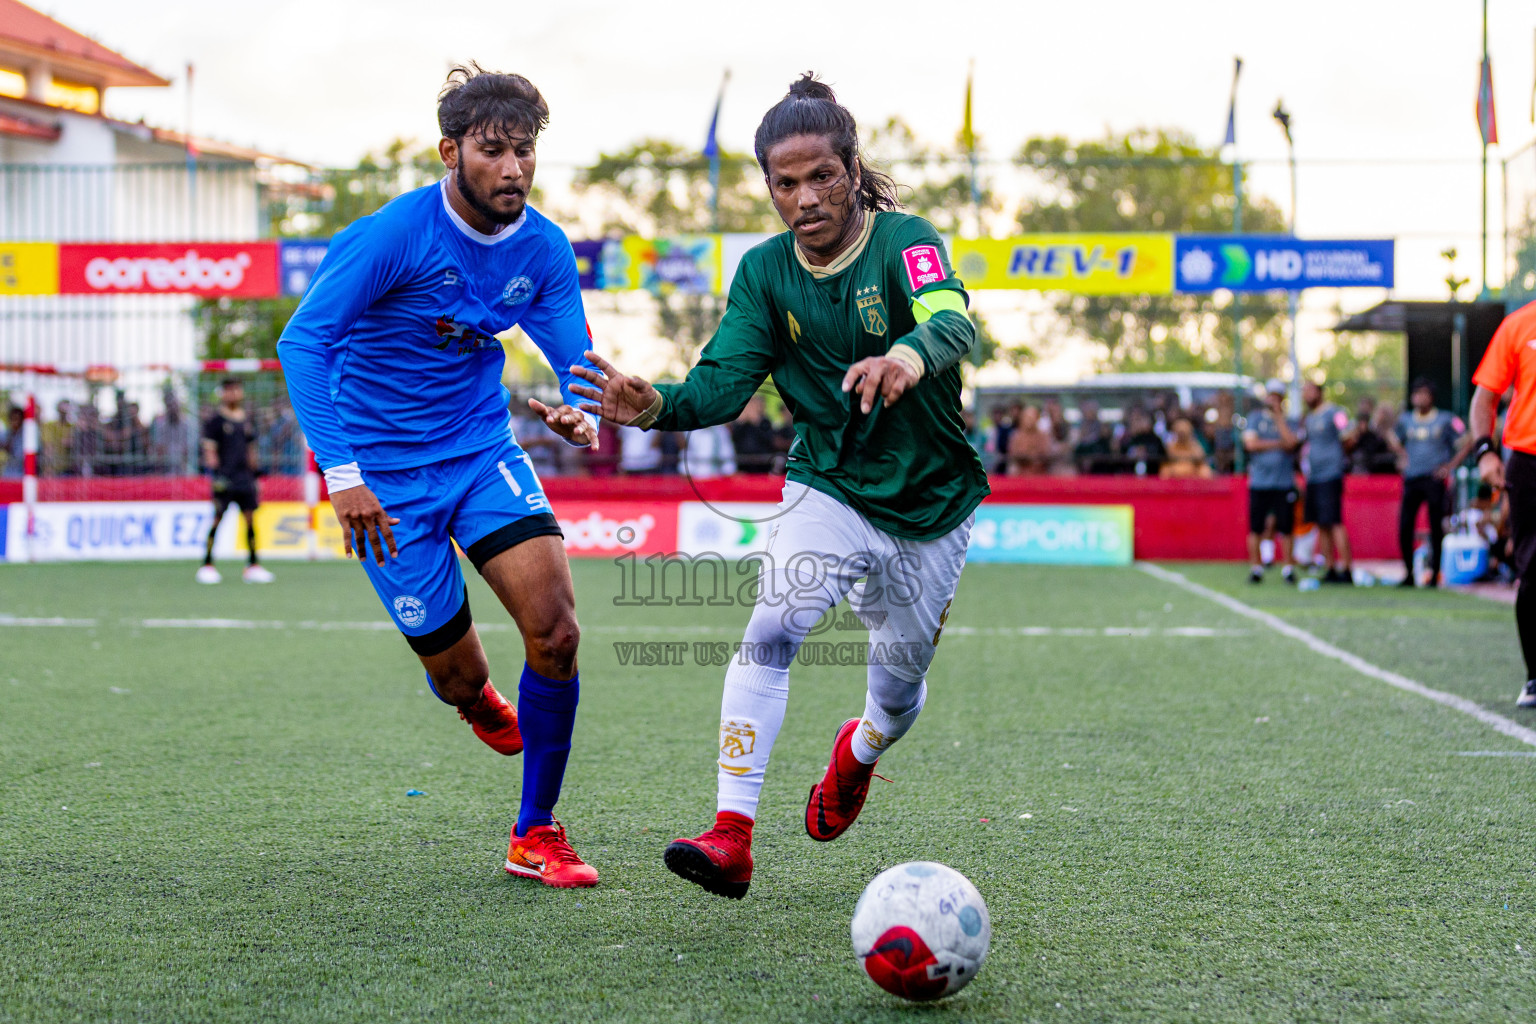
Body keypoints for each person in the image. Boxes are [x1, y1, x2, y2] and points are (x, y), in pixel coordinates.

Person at [570, 74, 987, 899]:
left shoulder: (907, 238)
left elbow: (953, 317)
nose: (804, 197)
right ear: (767, 186)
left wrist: (906, 356)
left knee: (898, 698)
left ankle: (859, 750)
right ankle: (731, 834)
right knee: (773, 624)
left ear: (851, 168)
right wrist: (653, 405)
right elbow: (721, 384)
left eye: (820, 176)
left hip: (933, 504)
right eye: (784, 182)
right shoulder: (763, 273)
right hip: (826, 483)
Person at [276, 65, 605, 887]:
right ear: (449, 152)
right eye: (492, 151)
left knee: (557, 634)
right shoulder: (393, 236)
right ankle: (468, 698)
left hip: (480, 450)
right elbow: (301, 344)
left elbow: (576, 363)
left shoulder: (543, 247)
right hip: (382, 484)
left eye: (524, 151)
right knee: (460, 674)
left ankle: (535, 832)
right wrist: (342, 475)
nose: (512, 169)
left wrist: (582, 411)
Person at [1469, 305, 1536, 704]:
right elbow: (1484, 398)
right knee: (1534, 569)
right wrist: (1484, 452)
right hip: (1529, 462)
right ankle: (1535, 675)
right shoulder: (1519, 324)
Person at [1390, 378, 1471, 589]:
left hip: (1434, 480)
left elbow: (1466, 441)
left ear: (1431, 397)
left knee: (1436, 527)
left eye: (1424, 393)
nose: (1419, 398)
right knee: (1405, 525)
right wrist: (1402, 456)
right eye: (1416, 394)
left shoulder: (1445, 419)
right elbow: (1393, 439)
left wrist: (1450, 465)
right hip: (1412, 479)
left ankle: (1435, 574)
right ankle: (1409, 573)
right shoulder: (1406, 420)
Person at [197, 379, 275, 585]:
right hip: (225, 479)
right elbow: (209, 451)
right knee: (217, 519)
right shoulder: (215, 421)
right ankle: (207, 565)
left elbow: (251, 451)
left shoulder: (247, 420)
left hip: (245, 480)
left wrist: (256, 475)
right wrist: (215, 475)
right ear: (222, 393)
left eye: (236, 389)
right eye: (229, 390)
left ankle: (253, 565)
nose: (234, 394)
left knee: (250, 521)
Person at [1299, 379, 1355, 583]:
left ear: (1320, 392)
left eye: (1309, 391)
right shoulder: (1309, 418)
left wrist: (1338, 459)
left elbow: (1348, 436)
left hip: (1330, 475)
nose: (1306, 395)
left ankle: (1347, 569)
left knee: (1334, 520)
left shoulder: (1334, 412)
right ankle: (1330, 567)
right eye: (1304, 391)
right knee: (1321, 523)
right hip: (1313, 476)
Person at [1243, 380, 1300, 584]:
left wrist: (1278, 418)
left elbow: (1292, 443)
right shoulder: (1255, 418)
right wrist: (1278, 443)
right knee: (1256, 527)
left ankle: (1288, 568)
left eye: (1277, 396)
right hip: (1259, 482)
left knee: (1286, 527)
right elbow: (1251, 444)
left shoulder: (1289, 420)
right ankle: (1256, 568)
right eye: (1271, 395)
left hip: (1283, 482)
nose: (1273, 399)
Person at [1, 406, 21, 477]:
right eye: (13, 419)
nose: (15, 422)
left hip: (22, 473)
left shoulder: (26, 437)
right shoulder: (7, 433)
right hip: (9, 473)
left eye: (17, 419)